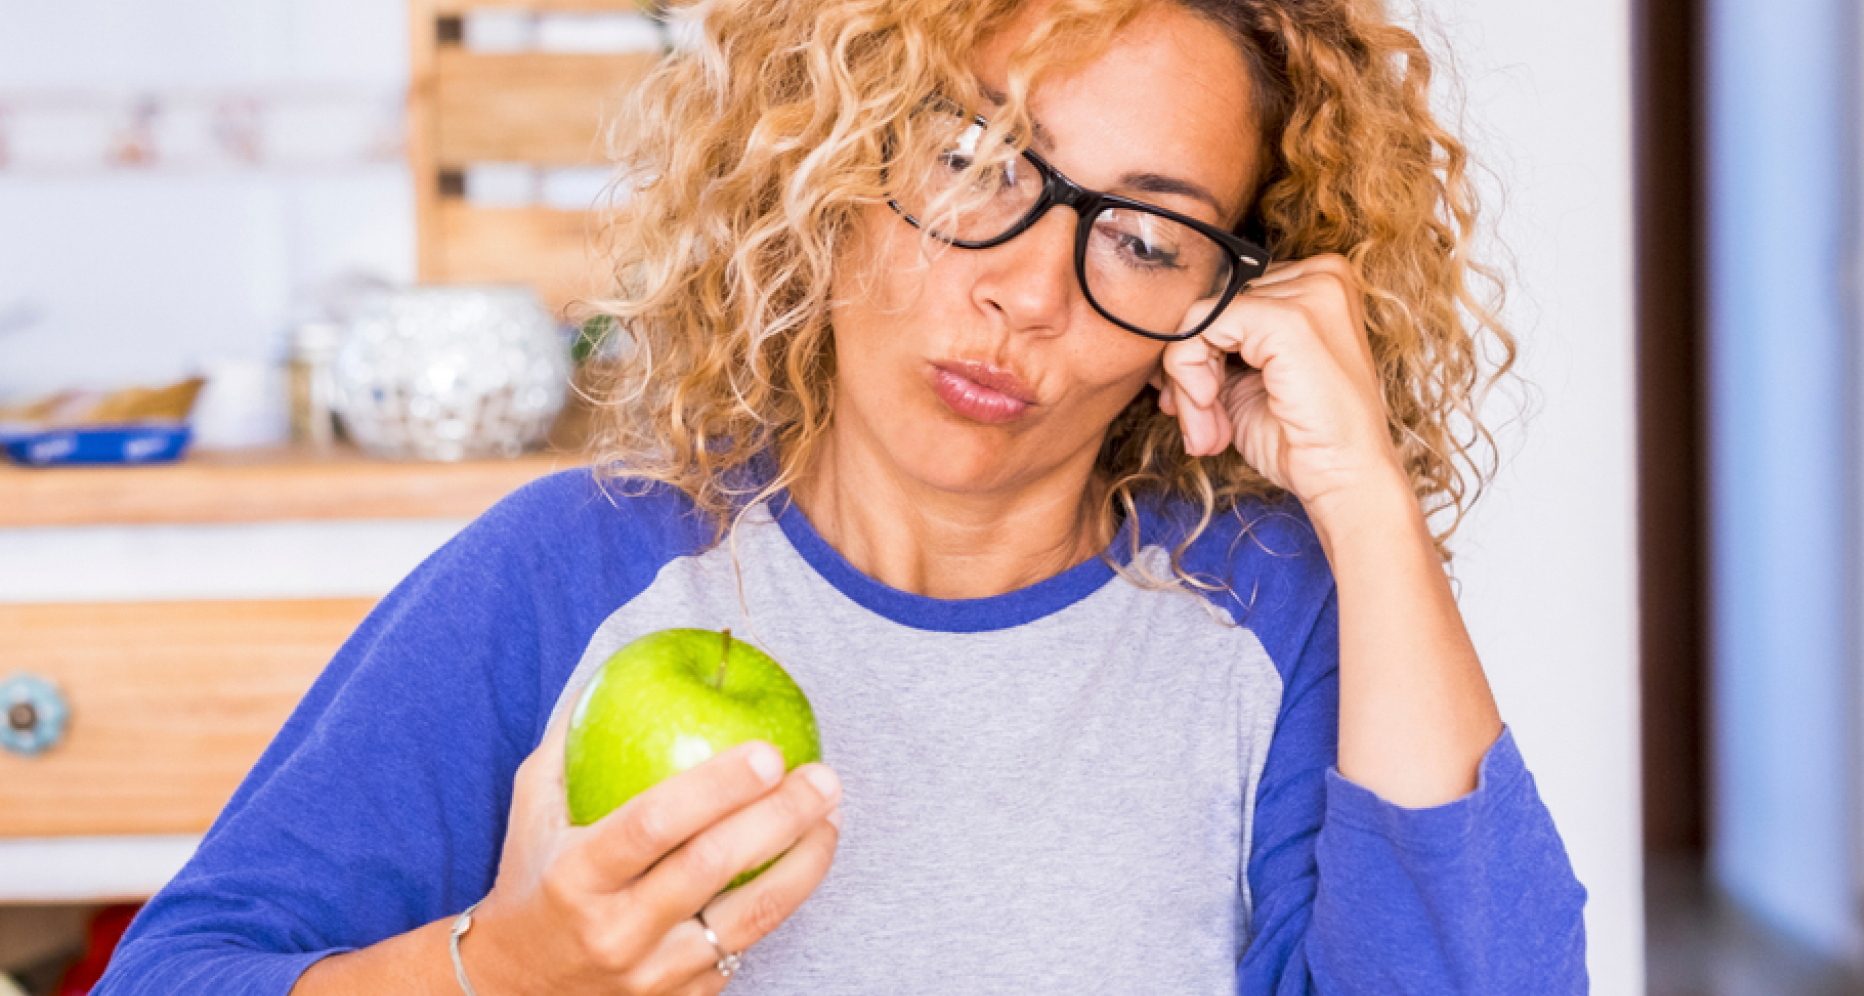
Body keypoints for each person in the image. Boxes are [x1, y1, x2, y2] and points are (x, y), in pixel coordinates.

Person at [97, 0, 1588, 992]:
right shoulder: (572, 573)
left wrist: (1367, 499)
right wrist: (503, 973)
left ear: (1224, 302)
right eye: (975, 159)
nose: (1025, 292)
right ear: (833, 159)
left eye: (1147, 240)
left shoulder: (1273, 613)